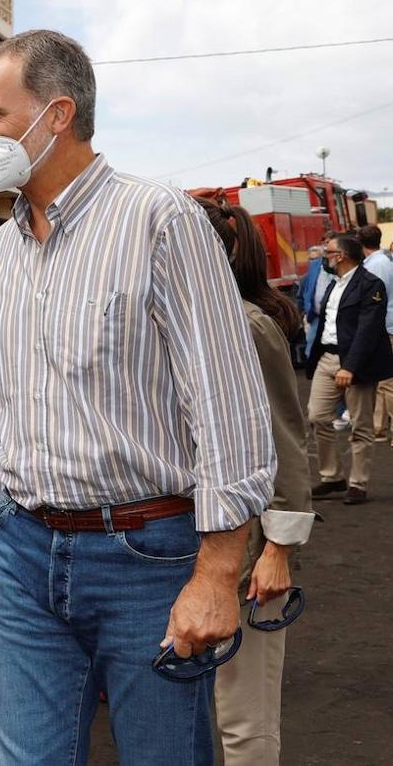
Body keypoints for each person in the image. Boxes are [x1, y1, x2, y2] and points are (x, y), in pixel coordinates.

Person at [0, 29, 276, 766]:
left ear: (57, 115)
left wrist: (214, 574)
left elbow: (226, 405)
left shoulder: (158, 221)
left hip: (145, 556)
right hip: (23, 554)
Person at [195, 198, 315, 765]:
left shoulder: (246, 326)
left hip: (246, 553)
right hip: (183, 545)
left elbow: (286, 442)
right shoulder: (178, 323)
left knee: (244, 718)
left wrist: (279, 549)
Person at [307, 233, 393, 505]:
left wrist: (350, 367)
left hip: (354, 363)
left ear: (341, 256)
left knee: (360, 424)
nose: (325, 256)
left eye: (328, 252)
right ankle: (332, 476)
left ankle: (358, 483)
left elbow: (368, 330)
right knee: (317, 416)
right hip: (327, 359)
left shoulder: (371, 284)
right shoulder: (335, 284)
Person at [356, 225, 393, 442]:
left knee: (387, 383)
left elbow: (375, 300)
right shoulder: (384, 260)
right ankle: (378, 429)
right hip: (387, 325)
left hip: (384, 327)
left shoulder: (376, 265)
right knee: (383, 382)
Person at [298, 240, 333, 358]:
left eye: (316, 259)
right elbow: (305, 293)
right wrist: (306, 311)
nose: (312, 262)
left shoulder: (331, 271)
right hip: (315, 317)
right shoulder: (309, 275)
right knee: (311, 347)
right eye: (310, 259)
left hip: (330, 317)